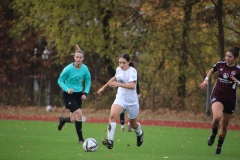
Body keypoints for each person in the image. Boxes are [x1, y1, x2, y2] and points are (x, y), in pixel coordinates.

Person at [97, 53, 144, 149]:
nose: (121, 65)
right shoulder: (118, 69)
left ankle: (140, 133)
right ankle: (110, 141)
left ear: (128, 62)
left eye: (124, 63)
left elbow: (132, 86)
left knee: (133, 124)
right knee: (113, 116)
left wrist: (118, 84)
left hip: (132, 101)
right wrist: (103, 87)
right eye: (119, 63)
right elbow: (114, 78)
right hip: (120, 98)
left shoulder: (132, 71)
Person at [199, 46, 240, 154]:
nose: (227, 58)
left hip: (230, 99)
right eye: (226, 56)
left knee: (225, 125)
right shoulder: (220, 64)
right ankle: (213, 133)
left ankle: (219, 146)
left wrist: (238, 82)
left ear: (235, 58)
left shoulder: (238, 70)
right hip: (218, 95)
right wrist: (206, 80)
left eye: (230, 57)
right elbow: (211, 70)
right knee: (217, 117)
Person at [57, 47, 91, 144]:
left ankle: (63, 120)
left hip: (78, 94)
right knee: (79, 115)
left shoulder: (85, 68)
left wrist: (86, 93)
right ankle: (81, 139)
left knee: (73, 120)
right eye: (77, 57)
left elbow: (88, 81)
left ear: (83, 58)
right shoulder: (68, 69)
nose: (78, 59)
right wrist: (67, 89)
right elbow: (60, 80)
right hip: (68, 95)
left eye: (80, 57)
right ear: (74, 57)